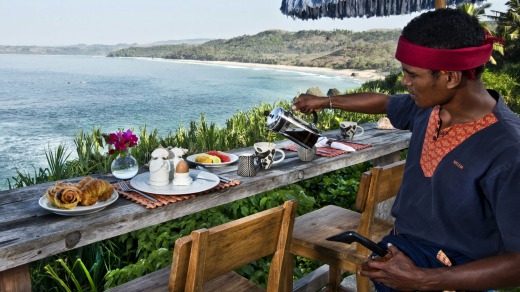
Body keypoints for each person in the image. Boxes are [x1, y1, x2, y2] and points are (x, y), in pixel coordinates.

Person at [292, 8, 520, 291]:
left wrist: (425, 280)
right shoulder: (429, 109)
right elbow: (385, 102)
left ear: (450, 78)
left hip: (453, 280)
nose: (404, 82)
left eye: (412, 74)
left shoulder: (508, 150)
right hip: (400, 259)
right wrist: (324, 102)